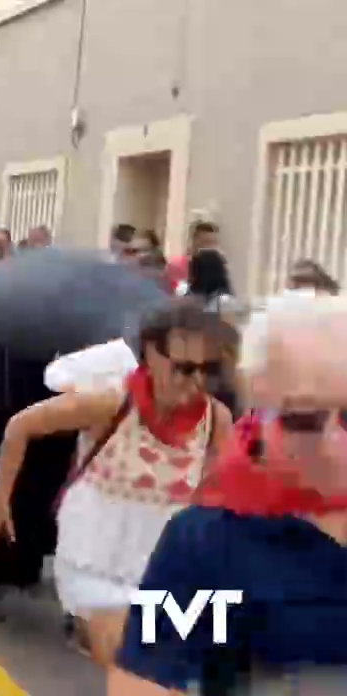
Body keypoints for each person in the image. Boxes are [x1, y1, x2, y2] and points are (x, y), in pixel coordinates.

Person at [0, 299, 233, 668]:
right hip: (96, 557)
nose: (195, 382)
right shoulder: (111, 403)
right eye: (184, 368)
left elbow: (219, 492)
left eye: (208, 370)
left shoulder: (215, 418)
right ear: (151, 355)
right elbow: (21, 426)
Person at [112, 295, 347, 693]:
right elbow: (146, 677)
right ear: (260, 411)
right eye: (301, 420)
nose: (333, 444)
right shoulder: (208, 545)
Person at [164, 220, 219, 292]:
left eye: (213, 243)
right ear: (193, 241)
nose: (209, 247)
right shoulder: (175, 265)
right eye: (205, 242)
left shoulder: (216, 269)